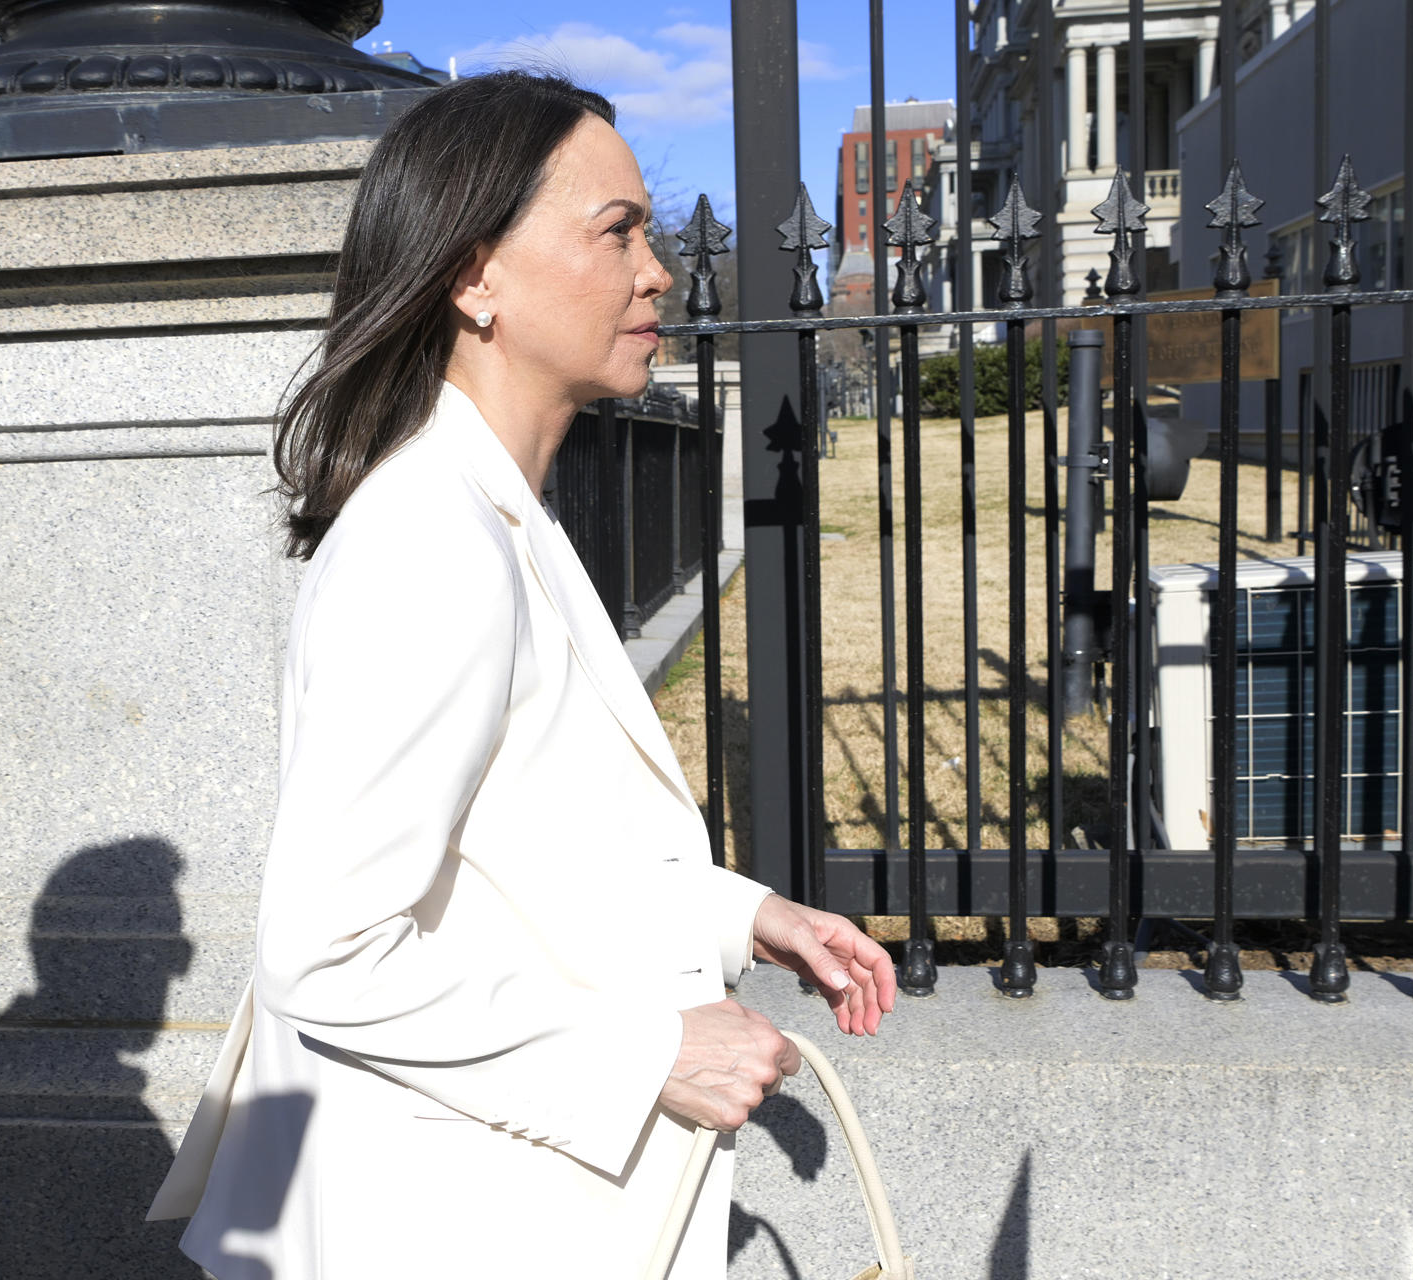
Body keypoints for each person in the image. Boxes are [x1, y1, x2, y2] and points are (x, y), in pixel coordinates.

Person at [147, 71, 897, 1278]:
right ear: (473, 276)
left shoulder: (495, 514)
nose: (657, 269)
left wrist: (744, 915)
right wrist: (650, 1053)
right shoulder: (430, 539)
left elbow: (527, 858)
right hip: (455, 1216)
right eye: (618, 231)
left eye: (648, 231)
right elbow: (327, 947)